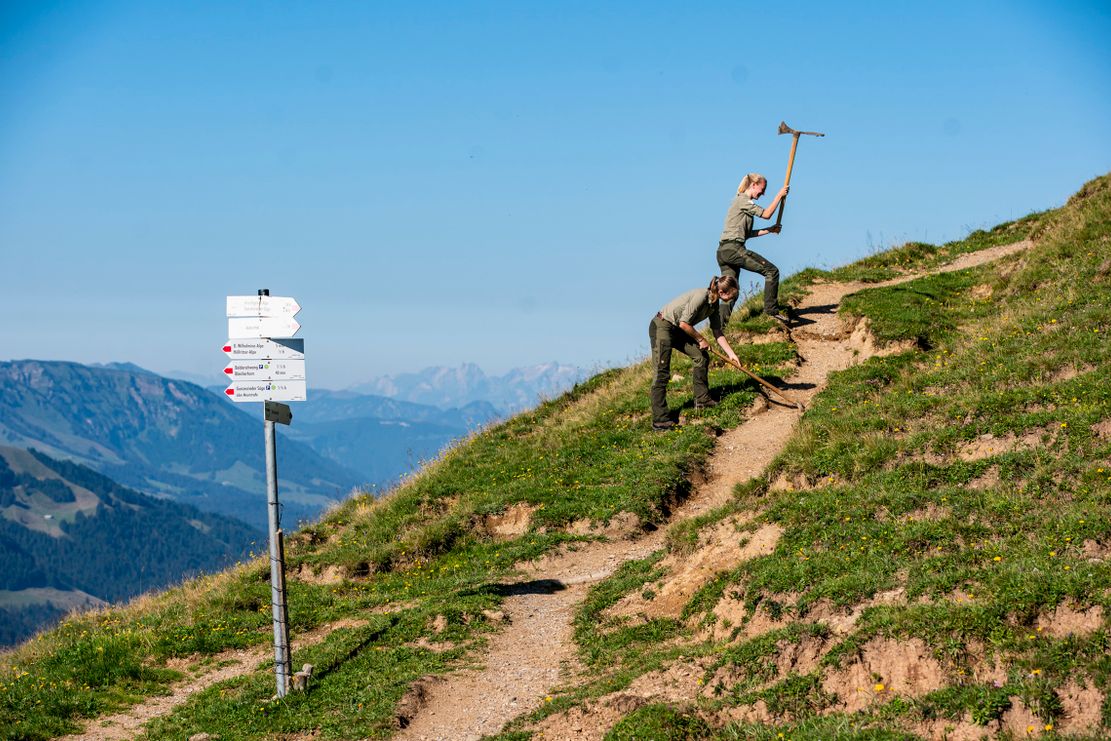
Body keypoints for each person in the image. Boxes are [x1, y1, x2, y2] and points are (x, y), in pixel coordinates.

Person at [649, 275, 743, 431]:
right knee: (662, 372)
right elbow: (684, 323)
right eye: (732, 293)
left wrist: (731, 354)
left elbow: (717, 332)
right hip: (662, 326)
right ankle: (660, 420)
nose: (734, 297)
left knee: (701, 356)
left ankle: (702, 400)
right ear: (721, 291)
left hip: (676, 329)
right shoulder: (701, 296)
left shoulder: (714, 305)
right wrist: (701, 339)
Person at [716, 173, 790, 325]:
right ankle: (771, 310)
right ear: (753, 185)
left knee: (729, 292)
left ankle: (720, 328)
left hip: (724, 251)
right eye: (762, 189)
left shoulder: (741, 203)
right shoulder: (743, 200)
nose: (763, 193)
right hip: (733, 249)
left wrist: (769, 230)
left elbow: (747, 234)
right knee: (771, 271)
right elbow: (767, 214)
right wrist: (779, 196)